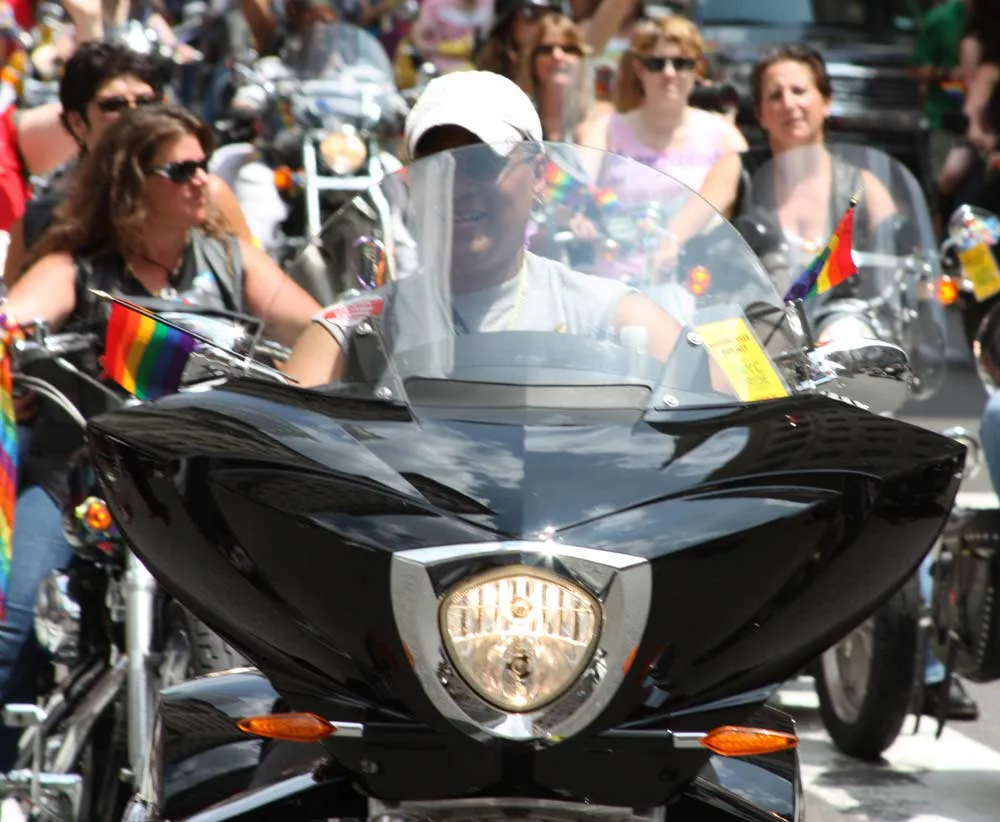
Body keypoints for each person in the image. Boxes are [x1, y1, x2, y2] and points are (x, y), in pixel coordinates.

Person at [0, 104, 320, 768]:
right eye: (182, 169)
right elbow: (15, 317)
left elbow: (320, 326)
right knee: (14, 620)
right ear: (129, 182)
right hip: (82, 482)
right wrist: (12, 338)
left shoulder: (231, 261)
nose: (203, 179)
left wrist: (327, 358)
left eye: (204, 164)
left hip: (200, 487)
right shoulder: (79, 268)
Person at [282, 69, 702, 389]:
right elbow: (287, 448)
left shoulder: (608, 315)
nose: (457, 186)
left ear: (538, 175)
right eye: (436, 167)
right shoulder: (356, 334)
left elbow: (725, 423)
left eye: (482, 162)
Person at [3, 41, 254, 284]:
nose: (135, 114)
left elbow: (251, 284)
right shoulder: (41, 221)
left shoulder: (205, 195)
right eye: (114, 105)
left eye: (146, 102)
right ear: (77, 123)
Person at [577, 15, 746, 194]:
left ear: (697, 69)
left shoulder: (723, 136)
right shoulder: (606, 130)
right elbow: (575, 189)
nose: (669, 73)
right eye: (656, 64)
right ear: (640, 70)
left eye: (681, 63)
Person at [474, 0, 638, 81]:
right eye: (530, 13)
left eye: (550, 14)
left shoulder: (564, 59)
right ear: (507, 24)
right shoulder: (481, 79)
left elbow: (616, 8)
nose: (541, 22)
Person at [515, 12, 595, 141]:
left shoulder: (600, 120)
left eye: (568, 49)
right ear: (532, 61)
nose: (557, 56)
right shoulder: (515, 118)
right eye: (546, 49)